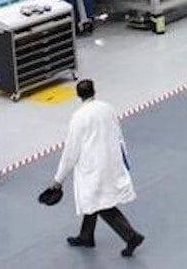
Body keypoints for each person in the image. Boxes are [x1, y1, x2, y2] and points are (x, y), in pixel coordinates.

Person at [48, 80, 145, 257]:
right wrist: (124, 161)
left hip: (92, 168)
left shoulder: (78, 118)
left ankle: (131, 235)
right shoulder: (107, 108)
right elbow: (119, 134)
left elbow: (70, 151)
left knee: (100, 204)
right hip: (110, 161)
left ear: (78, 95)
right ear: (94, 91)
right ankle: (86, 236)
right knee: (92, 200)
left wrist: (58, 179)